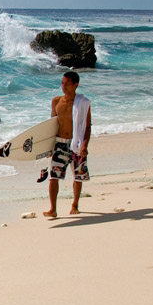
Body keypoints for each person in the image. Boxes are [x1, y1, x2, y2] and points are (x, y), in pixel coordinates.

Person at [43, 71, 91, 218]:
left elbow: (88, 126)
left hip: (76, 143)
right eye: (62, 83)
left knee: (78, 176)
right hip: (59, 144)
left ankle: (75, 204)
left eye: (67, 84)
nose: (63, 86)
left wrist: (84, 145)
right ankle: (53, 209)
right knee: (53, 176)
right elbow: (52, 125)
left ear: (75, 85)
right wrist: (49, 147)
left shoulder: (83, 103)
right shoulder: (56, 101)